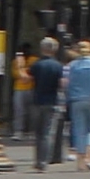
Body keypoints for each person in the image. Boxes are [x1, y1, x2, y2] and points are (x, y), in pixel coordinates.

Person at [63, 41, 90, 171]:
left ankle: (80, 161)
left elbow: (68, 85)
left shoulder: (73, 66)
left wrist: (69, 97)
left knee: (79, 130)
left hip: (76, 100)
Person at [26, 38, 68, 170]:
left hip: (37, 100)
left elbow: (27, 79)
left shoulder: (37, 64)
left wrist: (21, 66)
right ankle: (43, 162)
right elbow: (62, 84)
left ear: (42, 49)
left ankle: (38, 160)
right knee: (47, 133)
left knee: (38, 133)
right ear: (54, 49)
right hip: (53, 101)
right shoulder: (58, 66)